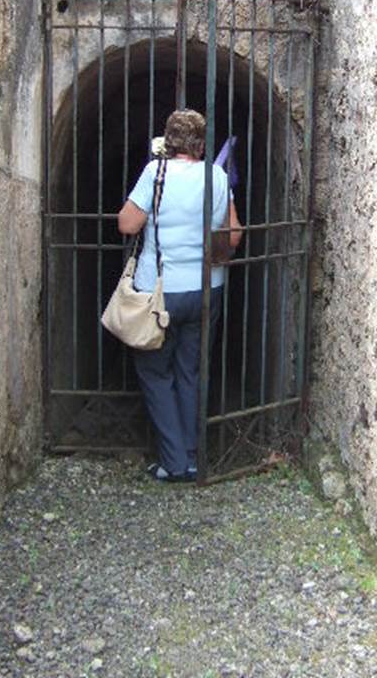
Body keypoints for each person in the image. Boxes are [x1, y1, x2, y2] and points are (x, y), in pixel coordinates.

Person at [117, 109, 242, 482]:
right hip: (206, 287)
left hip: (160, 292)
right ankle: (191, 456)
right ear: (201, 144)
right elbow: (234, 234)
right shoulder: (217, 176)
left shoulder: (155, 173)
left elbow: (127, 224)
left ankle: (173, 464)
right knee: (192, 371)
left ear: (167, 142)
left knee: (156, 372)